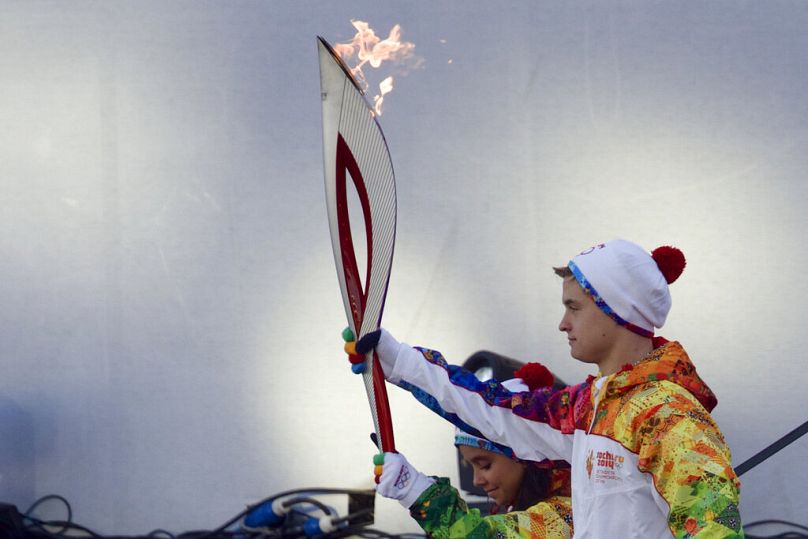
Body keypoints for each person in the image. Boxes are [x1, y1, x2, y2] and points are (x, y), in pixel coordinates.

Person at [349, 239, 743, 538]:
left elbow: (714, 526)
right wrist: (398, 360)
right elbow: (496, 410)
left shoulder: (669, 416)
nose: (563, 323)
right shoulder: (589, 408)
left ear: (617, 311)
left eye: (574, 308)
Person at [373, 368, 573, 538]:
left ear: (525, 455)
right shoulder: (528, 506)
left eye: (485, 465)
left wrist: (415, 489)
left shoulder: (569, 514)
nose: (477, 480)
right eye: (471, 466)